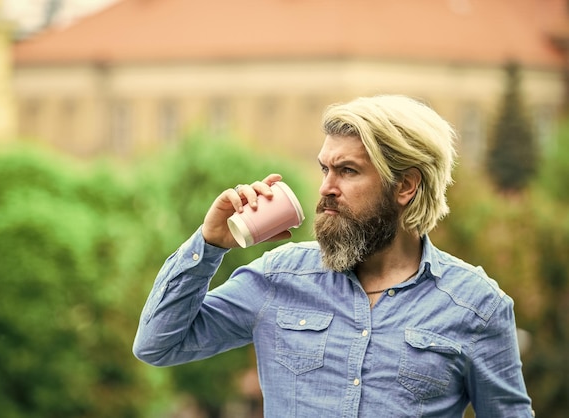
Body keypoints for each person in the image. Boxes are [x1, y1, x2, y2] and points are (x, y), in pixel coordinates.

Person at [133, 95, 534, 417]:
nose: (325, 187)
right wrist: (210, 244)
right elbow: (158, 344)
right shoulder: (279, 277)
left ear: (405, 186)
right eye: (324, 168)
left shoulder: (478, 307)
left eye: (347, 171)